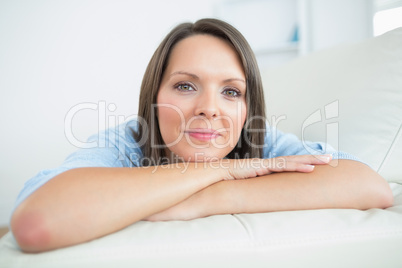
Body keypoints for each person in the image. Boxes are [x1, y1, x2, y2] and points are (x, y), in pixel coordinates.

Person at [10, 18, 393, 253]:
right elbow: (36, 222)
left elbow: (371, 186)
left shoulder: (257, 140)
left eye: (231, 92)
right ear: (154, 99)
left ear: (246, 111)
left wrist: (208, 196)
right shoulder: (125, 142)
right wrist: (220, 170)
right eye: (186, 86)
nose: (211, 108)